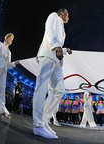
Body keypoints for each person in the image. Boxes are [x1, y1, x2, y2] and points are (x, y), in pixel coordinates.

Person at [32, 8, 72, 139]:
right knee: (41, 87)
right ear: (63, 13)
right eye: (68, 15)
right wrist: (56, 46)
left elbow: (58, 41)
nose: (69, 17)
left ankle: (44, 119)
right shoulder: (54, 16)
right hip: (48, 55)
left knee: (60, 90)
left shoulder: (62, 27)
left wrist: (64, 49)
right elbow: (50, 31)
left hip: (56, 59)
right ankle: (38, 125)